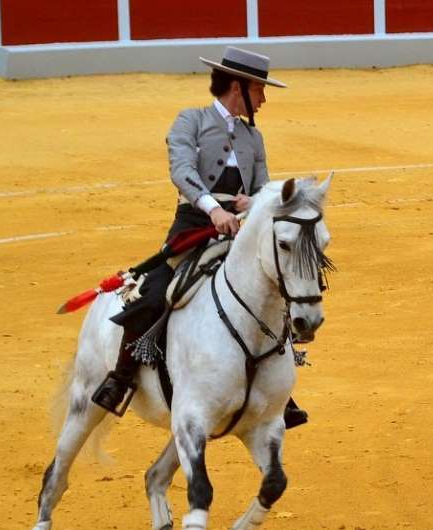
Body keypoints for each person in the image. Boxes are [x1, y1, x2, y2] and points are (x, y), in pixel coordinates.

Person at [91, 46, 307, 428]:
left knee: (273, 290)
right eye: (259, 89)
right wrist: (214, 208)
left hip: (238, 232)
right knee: (155, 291)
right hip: (193, 225)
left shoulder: (252, 138)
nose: (264, 98)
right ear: (237, 87)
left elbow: (263, 186)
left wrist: (252, 202)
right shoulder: (190, 121)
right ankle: (121, 377)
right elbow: (182, 170)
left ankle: (278, 392)